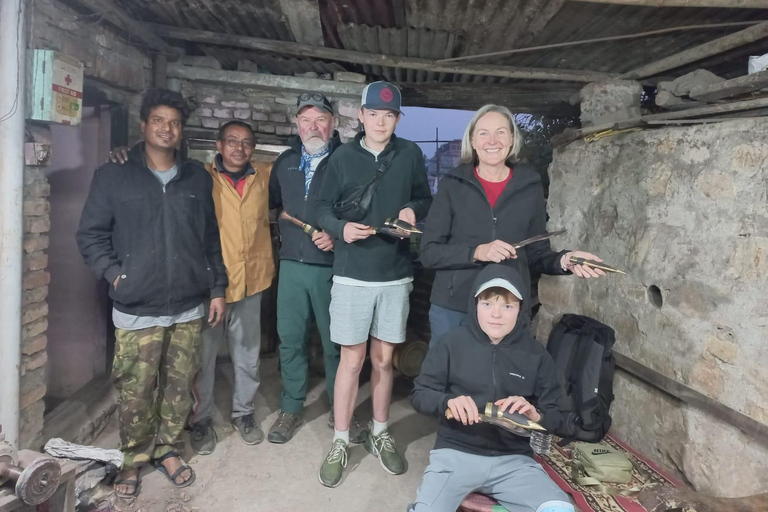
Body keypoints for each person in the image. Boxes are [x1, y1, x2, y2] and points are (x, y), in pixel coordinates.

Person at [77, 88, 227, 497]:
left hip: (187, 306)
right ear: (144, 125)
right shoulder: (114, 175)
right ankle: (132, 459)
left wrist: (217, 287)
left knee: (180, 387)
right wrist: (116, 275)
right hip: (136, 307)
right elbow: (91, 235)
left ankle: (168, 449)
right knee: (135, 389)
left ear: (182, 131)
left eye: (174, 122)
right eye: (158, 120)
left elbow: (210, 238)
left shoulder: (196, 177)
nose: (167, 128)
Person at [315, 81, 432, 487]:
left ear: (397, 119)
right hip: (351, 274)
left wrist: (412, 209)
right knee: (352, 360)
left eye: (390, 115)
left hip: (395, 274)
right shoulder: (343, 157)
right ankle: (341, 439)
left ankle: (380, 433)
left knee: (384, 361)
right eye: (374, 114)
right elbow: (320, 207)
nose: (381, 121)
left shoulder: (411, 154)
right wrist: (340, 228)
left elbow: (424, 198)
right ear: (360, 116)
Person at [420, 104, 605, 344]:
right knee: (448, 379)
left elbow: (537, 252)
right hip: (455, 309)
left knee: (503, 380)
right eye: (484, 133)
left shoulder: (529, 185)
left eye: (501, 132)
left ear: (511, 139)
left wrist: (564, 260)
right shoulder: (452, 185)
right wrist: (478, 252)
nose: (492, 140)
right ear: (473, 141)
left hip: (507, 307)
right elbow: (428, 252)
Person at [409, 264, 574, 512]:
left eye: (507, 306)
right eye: (488, 304)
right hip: (456, 454)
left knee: (560, 509)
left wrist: (536, 415)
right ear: (475, 305)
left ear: (520, 309)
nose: (496, 314)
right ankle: (470, 497)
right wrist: (447, 402)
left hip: (513, 461)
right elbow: (420, 395)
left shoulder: (535, 354)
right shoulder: (451, 344)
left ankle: (484, 504)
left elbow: (558, 415)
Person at [267, 92, 366, 444]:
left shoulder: (349, 160)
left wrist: (338, 237)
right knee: (290, 340)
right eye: (306, 119)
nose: (313, 126)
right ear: (296, 124)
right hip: (292, 266)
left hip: (332, 268)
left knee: (336, 343)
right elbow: (272, 206)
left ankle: (342, 411)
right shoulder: (285, 163)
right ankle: (291, 407)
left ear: (333, 124)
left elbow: (362, 214)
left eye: (320, 119)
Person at [186, 120, 275, 452]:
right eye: (232, 142)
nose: (240, 148)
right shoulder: (198, 178)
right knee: (203, 358)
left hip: (252, 281)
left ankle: (244, 413)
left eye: (247, 143)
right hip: (210, 287)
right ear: (219, 146)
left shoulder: (264, 176)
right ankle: (201, 419)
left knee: (247, 354)